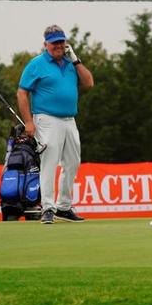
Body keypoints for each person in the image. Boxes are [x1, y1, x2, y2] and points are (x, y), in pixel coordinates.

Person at [17, 25, 94, 224]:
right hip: (46, 119)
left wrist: (76, 60)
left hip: (70, 119)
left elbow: (89, 83)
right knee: (50, 162)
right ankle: (48, 208)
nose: (58, 46)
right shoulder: (36, 64)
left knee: (72, 163)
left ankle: (64, 207)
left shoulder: (71, 63)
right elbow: (22, 92)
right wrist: (28, 121)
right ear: (46, 44)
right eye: (54, 43)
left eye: (61, 42)